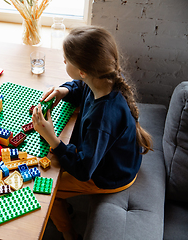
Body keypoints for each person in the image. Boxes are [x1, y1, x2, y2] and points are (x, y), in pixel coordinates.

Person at [31, 26, 152, 240]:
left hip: (110, 175)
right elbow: (81, 87)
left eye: (66, 60)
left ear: (83, 70)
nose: (64, 62)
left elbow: (84, 169)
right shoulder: (104, 78)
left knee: (46, 188)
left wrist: (52, 138)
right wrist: (64, 90)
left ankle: (69, 234)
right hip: (114, 159)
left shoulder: (102, 118)